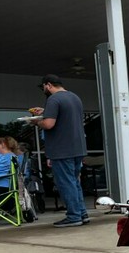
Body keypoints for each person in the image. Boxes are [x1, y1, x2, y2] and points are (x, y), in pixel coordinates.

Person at [30, 74, 89, 227]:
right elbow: (65, 116)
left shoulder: (53, 99)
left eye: (43, 87)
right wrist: (45, 111)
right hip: (77, 147)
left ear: (48, 85)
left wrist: (36, 122)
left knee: (66, 183)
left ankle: (74, 216)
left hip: (62, 149)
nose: (44, 90)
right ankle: (82, 213)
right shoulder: (74, 97)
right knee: (74, 182)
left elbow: (49, 124)